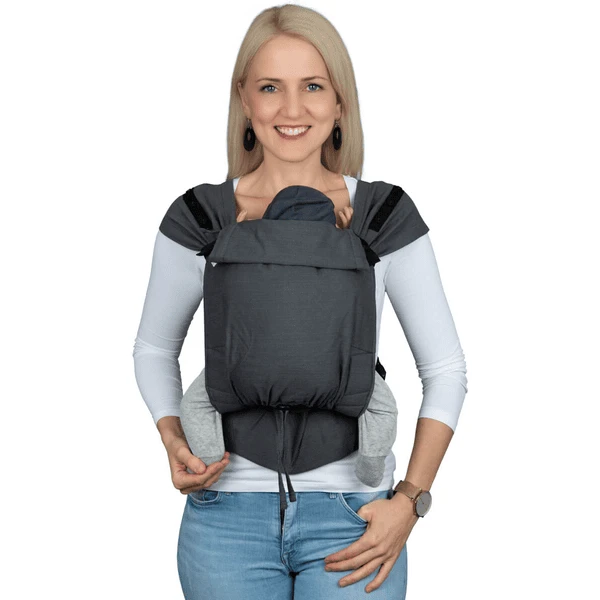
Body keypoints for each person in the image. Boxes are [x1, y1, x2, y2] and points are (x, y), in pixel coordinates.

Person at [132, 5, 468, 599]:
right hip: (225, 518)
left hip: (356, 517)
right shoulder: (200, 217)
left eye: (312, 86)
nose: (292, 109)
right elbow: (154, 349)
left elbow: (445, 370)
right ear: (244, 99)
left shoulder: (382, 216)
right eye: (270, 88)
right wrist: (174, 439)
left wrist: (409, 501)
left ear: (340, 102)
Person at [180, 184, 400, 489]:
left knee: (196, 404)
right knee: (381, 407)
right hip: (338, 374)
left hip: (243, 371)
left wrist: (237, 233)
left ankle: (209, 461)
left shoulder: (236, 243)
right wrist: (350, 235)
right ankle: (371, 468)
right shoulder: (352, 249)